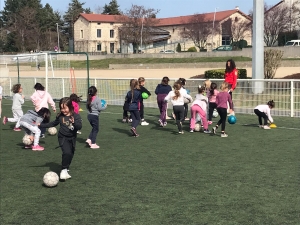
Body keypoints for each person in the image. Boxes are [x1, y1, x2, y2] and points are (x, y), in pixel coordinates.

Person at [40, 97, 82, 179]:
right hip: (62, 137)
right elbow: (53, 123)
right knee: (67, 152)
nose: (63, 110)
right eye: (61, 108)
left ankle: (66, 169)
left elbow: (79, 127)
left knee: (71, 154)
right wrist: (40, 125)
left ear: (70, 107)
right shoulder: (60, 116)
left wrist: (74, 123)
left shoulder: (76, 116)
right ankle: (63, 170)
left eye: (65, 108)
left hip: (72, 138)